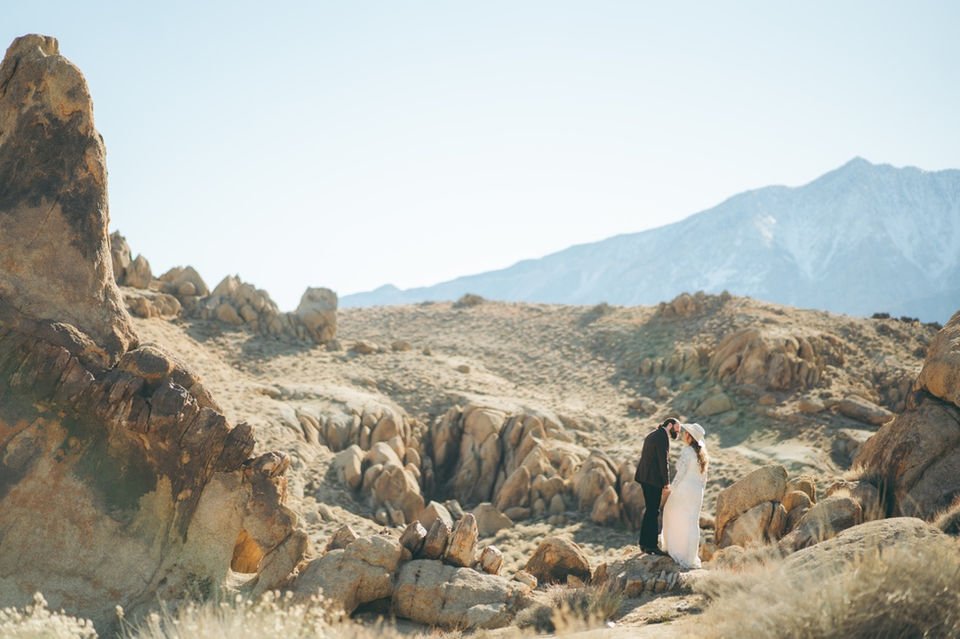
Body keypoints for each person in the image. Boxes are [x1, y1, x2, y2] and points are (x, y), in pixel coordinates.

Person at [661, 422, 709, 569]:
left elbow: (681, 473)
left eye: (685, 432)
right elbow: (704, 478)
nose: (682, 434)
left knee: (670, 512)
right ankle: (690, 556)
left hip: (685, 488)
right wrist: (701, 491)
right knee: (692, 522)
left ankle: (674, 549)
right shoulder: (703, 453)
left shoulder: (687, 451)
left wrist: (671, 488)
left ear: (690, 437)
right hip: (697, 491)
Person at [634, 417, 681, 554]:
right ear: (670, 425)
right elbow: (663, 461)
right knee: (653, 512)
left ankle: (644, 543)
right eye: (676, 429)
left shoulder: (653, 433)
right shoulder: (662, 437)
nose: (677, 432)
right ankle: (652, 546)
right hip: (652, 480)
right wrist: (666, 482)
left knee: (650, 511)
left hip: (644, 477)